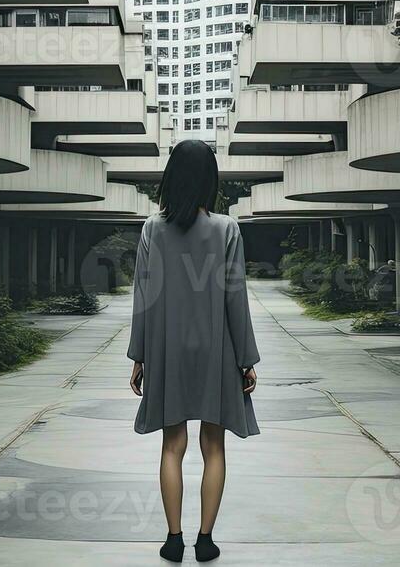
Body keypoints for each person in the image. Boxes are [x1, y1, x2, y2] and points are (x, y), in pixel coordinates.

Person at [128, 139, 259, 563]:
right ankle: (205, 540)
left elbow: (143, 297)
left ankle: (172, 539)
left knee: (172, 445)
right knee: (214, 446)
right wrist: (246, 359)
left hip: (167, 350)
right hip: (216, 350)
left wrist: (139, 356)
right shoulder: (227, 229)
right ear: (209, 180)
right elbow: (235, 299)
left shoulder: (152, 229)